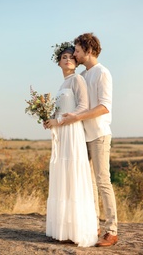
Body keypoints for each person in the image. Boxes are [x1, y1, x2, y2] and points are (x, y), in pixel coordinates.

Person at [61, 33, 118, 247]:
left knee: (103, 181)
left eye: (77, 50)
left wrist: (78, 117)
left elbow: (105, 107)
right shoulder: (83, 76)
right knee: (88, 184)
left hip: (99, 134)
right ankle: (93, 226)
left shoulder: (103, 73)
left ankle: (111, 231)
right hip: (81, 136)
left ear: (89, 50)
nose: (74, 54)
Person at [44, 42, 98, 247]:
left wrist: (60, 121)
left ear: (76, 63)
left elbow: (83, 106)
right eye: (64, 57)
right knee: (62, 173)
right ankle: (63, 229)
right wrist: (49, 119)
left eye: (71, 57)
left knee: (72, 173)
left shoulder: (77, 79)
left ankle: (76, 230)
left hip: (72, 131)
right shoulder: (62, 85)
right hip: (61, 132)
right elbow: (61, 109)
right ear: (58, 63)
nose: (67, 59)